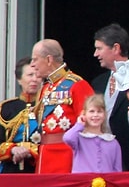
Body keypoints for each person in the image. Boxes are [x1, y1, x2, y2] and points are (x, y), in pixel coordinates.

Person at [30, 39, 94, 173]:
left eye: (35, 59)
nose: (32, 65)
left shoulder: (77, 85)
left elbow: (90, 126)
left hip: (67, 157)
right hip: (44, 156)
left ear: (49, 60)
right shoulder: (46, 88)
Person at [91, 23, 129, 171]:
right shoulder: (98, 83)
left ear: (116, 48)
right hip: (101, 160)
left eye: (99, 48)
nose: (95, 54)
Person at [0, 57, 41, 173]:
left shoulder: (47, 107)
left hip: (39, 169)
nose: (34, 79)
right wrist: (13, 150)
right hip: (10, 170)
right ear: (19, 79)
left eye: (38, 76)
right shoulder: (5, 108)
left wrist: (31, 151)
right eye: (30, 75)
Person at [63, 94, 122, 173]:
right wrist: (79, 124)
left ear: (104, 115)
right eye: (91, 111)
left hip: (105, 183)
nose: (95, 115)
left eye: (99, 111)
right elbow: (67, 138)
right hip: (83, 183)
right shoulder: (79, 138)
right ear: (84, 114)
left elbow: (117, 170)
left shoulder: (113, 142)